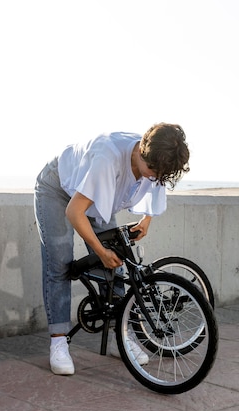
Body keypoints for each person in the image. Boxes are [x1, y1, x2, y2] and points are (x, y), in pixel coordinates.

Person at [33, 122, 190, 375]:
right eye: (151, 170)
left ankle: (121, 337)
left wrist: (145, 220)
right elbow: (75, 211)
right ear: (139, 152)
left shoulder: (158, 155)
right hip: (59, 187)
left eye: (159, 174)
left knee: (117, 261)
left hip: (96, 195)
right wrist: (100, 252)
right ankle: (58, 341)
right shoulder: (108, 157)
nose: (152, 177)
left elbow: (155, 187)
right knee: (59, 264)